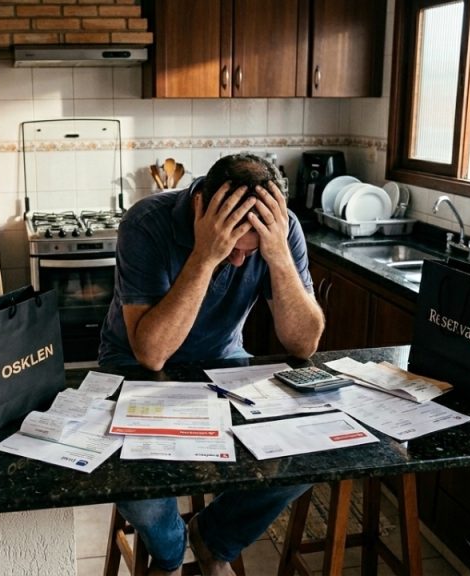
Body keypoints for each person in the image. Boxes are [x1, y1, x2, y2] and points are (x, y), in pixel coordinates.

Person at [98, 153, 325, 575]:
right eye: (232, 248)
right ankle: (169, 554)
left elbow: (304, 342)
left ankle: (212, 538)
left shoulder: (282, 228)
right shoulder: (146, 223)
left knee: (305, 456)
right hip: (132, 367)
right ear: (201, 204)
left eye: (250, 251)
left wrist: (277, 256)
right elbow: (152, 354)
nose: (239, 261)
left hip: (223, 361)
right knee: (138, 490)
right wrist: (205, 256)